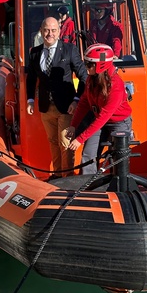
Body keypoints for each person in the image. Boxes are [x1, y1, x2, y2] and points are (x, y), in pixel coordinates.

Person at [26, 16, 87, 176]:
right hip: (46, 107)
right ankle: (58, 174)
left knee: (65, 143)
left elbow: (84, 76)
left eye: (53, 30)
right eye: (46, 30)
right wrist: (30, 99)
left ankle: (68, 177)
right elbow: (31, 78)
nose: (49, 34)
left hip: (66, 106)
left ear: (59, 32)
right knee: (53, 142)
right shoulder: (34, 53)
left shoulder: (69, 50)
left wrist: (76, 99)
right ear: (41, 31)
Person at [66, 43, 132, 175]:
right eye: (86, 63)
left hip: (119, 122)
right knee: (88, 154)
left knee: (119, 157)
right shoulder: (92, 79)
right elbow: (84, 101)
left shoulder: (116, 86)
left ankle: (119, 184)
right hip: (100, 119)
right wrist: (73, 125)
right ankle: (89, 186)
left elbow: (104, 116)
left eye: (89, 65)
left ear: (100, 65)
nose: (86, 68)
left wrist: (80, 138)